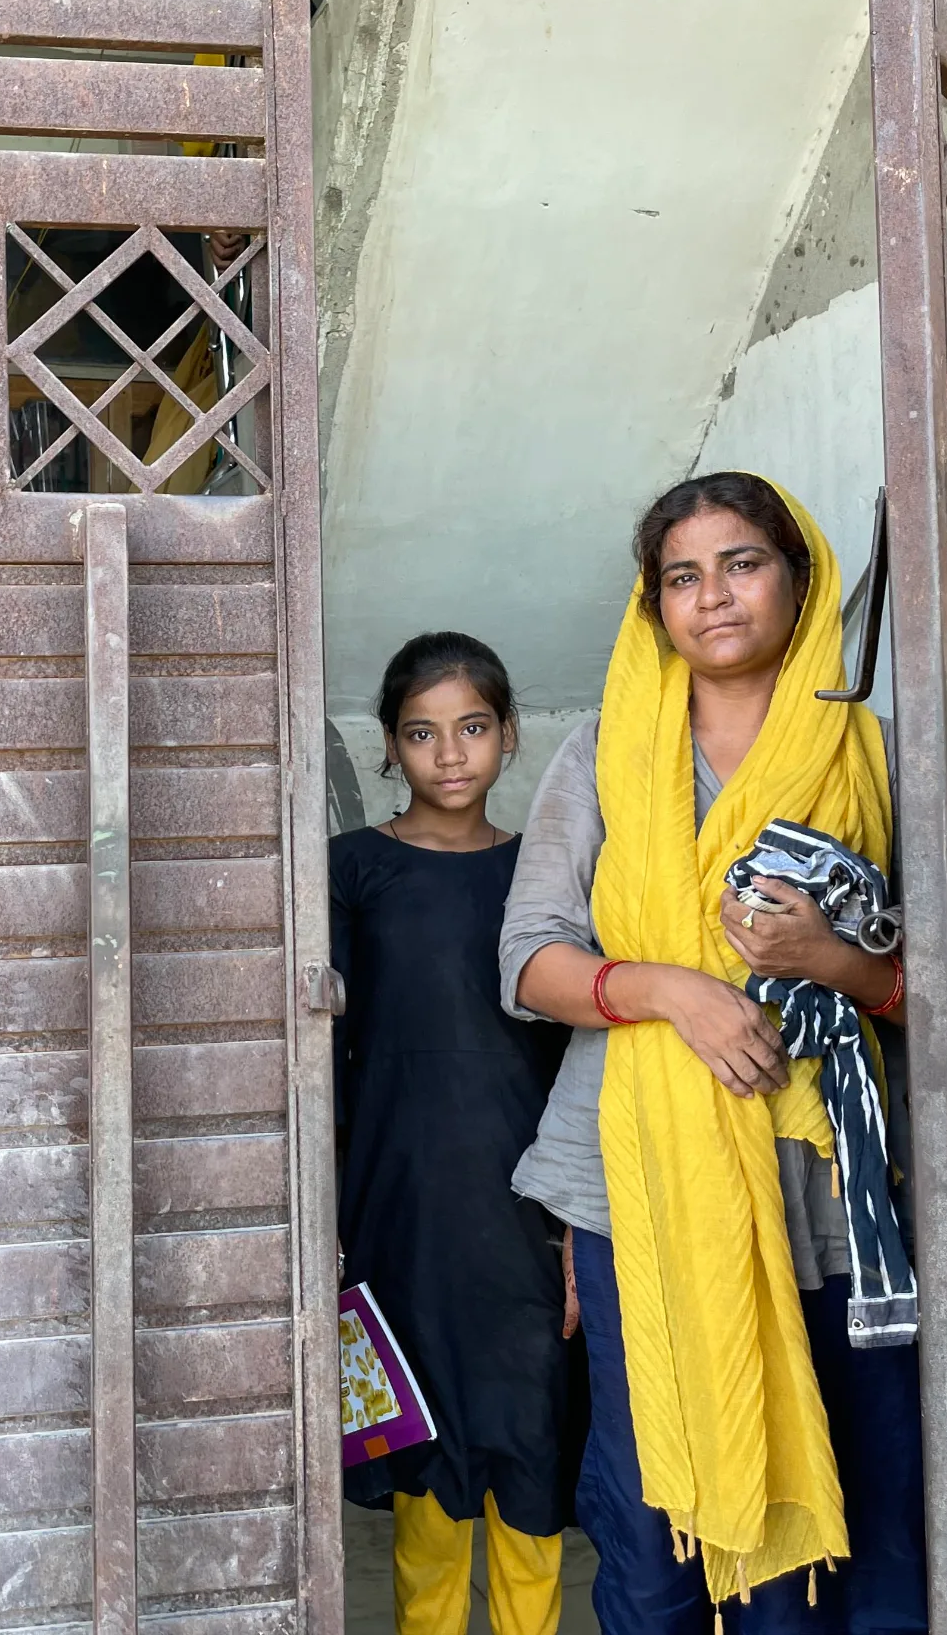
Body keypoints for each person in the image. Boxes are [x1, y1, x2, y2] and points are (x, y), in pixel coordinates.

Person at [500, 475, 928, 1635]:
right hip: (642, 1183)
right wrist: (673, 991)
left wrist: (825, 959)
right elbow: (529, 962)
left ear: (800, 578)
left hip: (828, 1186)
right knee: (658, 1507)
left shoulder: (872, 754)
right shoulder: (603, 756)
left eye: (742, 563)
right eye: (680, 577)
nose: (713, 596)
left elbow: (939, 987)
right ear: (654, 607)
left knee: (863, 1480)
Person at [330, 633, 587, 1635]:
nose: (451, 754)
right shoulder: (353, 872)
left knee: (528, 1438)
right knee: (424, 1452)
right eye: (423, 733)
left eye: (473, 727)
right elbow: (326, 1060)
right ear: (390, 746)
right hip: (398, 1210)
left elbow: (575, 1059)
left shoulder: (544, 878)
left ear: (510, 736)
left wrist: (576, 1217)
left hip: (526, 1206)